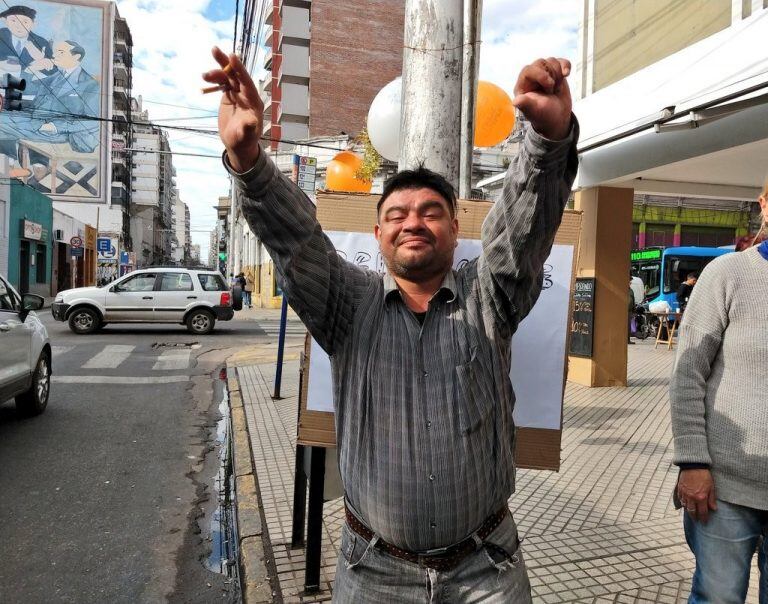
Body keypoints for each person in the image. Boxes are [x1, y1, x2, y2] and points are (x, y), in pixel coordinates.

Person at [205, 47, 577, 602]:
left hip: (487, 569)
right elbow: (297, 243)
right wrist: (251, 163)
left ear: (455, 230)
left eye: (430, 213)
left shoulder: (488, 296)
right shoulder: (346, 304)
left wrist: (544, 144)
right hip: (374, 571)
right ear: (378, 237)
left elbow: (520, 234)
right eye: (396, 216)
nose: (413, 223)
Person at [669, 182, 768, 603]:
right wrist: (692, 463)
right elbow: (687, 374)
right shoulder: (729, 274)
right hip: (726, 489)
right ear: (765, 204)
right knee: (718, 597)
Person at [0, 40, 100, 176]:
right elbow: (30, 86)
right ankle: (14, 166)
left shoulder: (89, 84)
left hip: (62, 132)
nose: (54, 55)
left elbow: (93, 121)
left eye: (61, 52)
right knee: (3, 117)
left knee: (2, 122)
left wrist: (55, 127)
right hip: (37, 122)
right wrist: (32, 69)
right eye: (55, 52)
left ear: (76, 57)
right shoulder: (59, 75)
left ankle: (13, 166)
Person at [0, 5, 55, 79]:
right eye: (13, 20)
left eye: (25, 22)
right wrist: (31, 66)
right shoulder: (1, 35)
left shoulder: (41, 42)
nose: (19, 26)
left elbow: (53, 72)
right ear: (5, 21)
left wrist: (41, 59)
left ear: (33, 24)